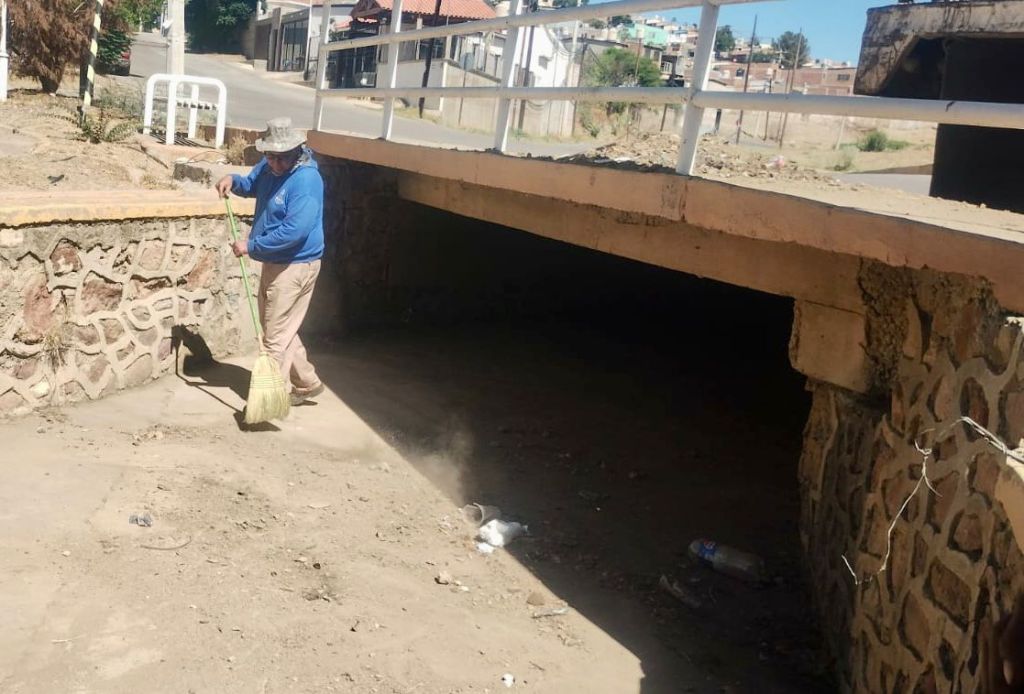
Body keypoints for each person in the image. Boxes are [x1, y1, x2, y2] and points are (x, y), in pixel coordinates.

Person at [215, 117, 325, 407]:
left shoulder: (306, 180)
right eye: (270, 157)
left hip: (295, 266)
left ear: (297, 152)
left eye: (281, 158)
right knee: (280, 326)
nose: (274, 164)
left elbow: (295, 231)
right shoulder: (268, 167)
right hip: (276, 262)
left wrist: (251, 246)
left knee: (274, 337)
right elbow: (251, 184)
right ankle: (307, 383)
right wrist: (233, 181)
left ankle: (266, 403)